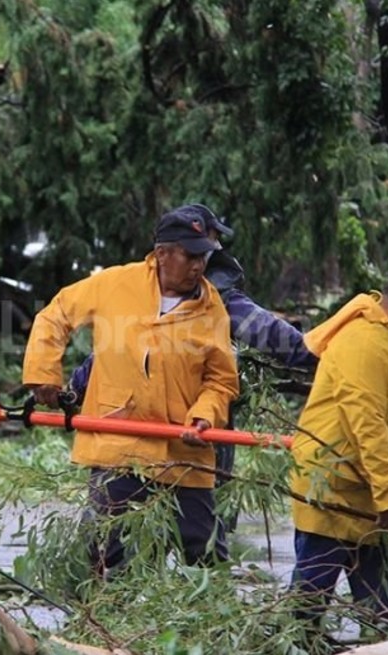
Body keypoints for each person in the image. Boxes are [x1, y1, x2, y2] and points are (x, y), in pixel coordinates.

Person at [67, 203, 317, 557]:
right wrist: (73, 393)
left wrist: (330, 356)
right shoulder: (138, 293)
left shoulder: (221, 302)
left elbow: (284, 344)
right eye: (197, 248)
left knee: (199, 549)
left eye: (209, 248)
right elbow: (110, 355)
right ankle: (109, 606)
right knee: (114, 551)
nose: (204, 256)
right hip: (130, 451)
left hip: (194, 441)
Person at [22, 206, 240, 575]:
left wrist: (205, 415)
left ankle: (206, 630)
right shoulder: (115, 284)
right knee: (109, 557)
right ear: (162, 254)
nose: (198, 265)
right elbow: (54, 316)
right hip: (119, 447)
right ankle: (106, 626)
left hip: (184, 455)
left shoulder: (211, 307)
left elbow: (220, 380)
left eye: (203, 256)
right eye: (190, 255)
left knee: (206, 561)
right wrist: (45, 375)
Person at [289, 256, 388, 628]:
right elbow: (368, 426)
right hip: (331, 496)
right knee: (305, 617)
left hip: (370, 501)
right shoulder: (364, 341)